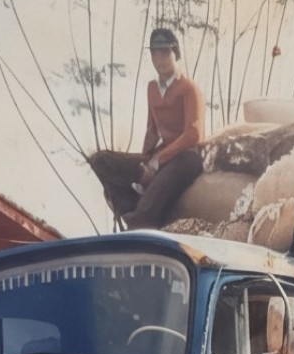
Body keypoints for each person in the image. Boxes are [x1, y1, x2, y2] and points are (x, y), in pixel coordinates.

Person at [88, 26, 206, 229]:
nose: (159, 58)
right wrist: (145, 160)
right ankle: (129, 206)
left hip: (186, 158)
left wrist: (157, 161)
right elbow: (152, 130)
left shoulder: (189, 88)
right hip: (160, 156)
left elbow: (194, 133)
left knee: (145, 211)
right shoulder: (152, 88)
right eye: (154, 53)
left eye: (165, 52)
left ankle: (140, 220)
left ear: (176, 53)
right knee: (101, 161)